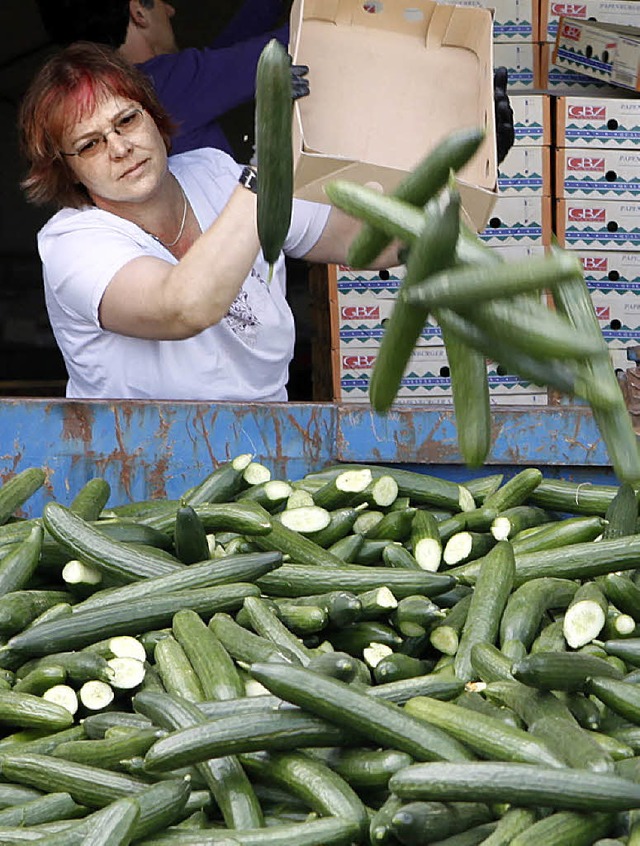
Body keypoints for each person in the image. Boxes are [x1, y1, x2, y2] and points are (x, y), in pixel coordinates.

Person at [18, 42, 400, 402]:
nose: (120, 148)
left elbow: (361, 239)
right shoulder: (72, 243)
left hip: (271, 444)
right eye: (90, 144)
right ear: (67, 171)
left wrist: (442, 216)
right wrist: (268, 156)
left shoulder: (214, 173)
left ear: (152, 114)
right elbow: (185, 306)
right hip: (144, 460)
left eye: (127, 120)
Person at [33, 0, 307, 158]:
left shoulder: (103, 100)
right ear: (138, 13)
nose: (171, 10)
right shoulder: (161, 82)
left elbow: (223, 58)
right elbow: (297, 40)